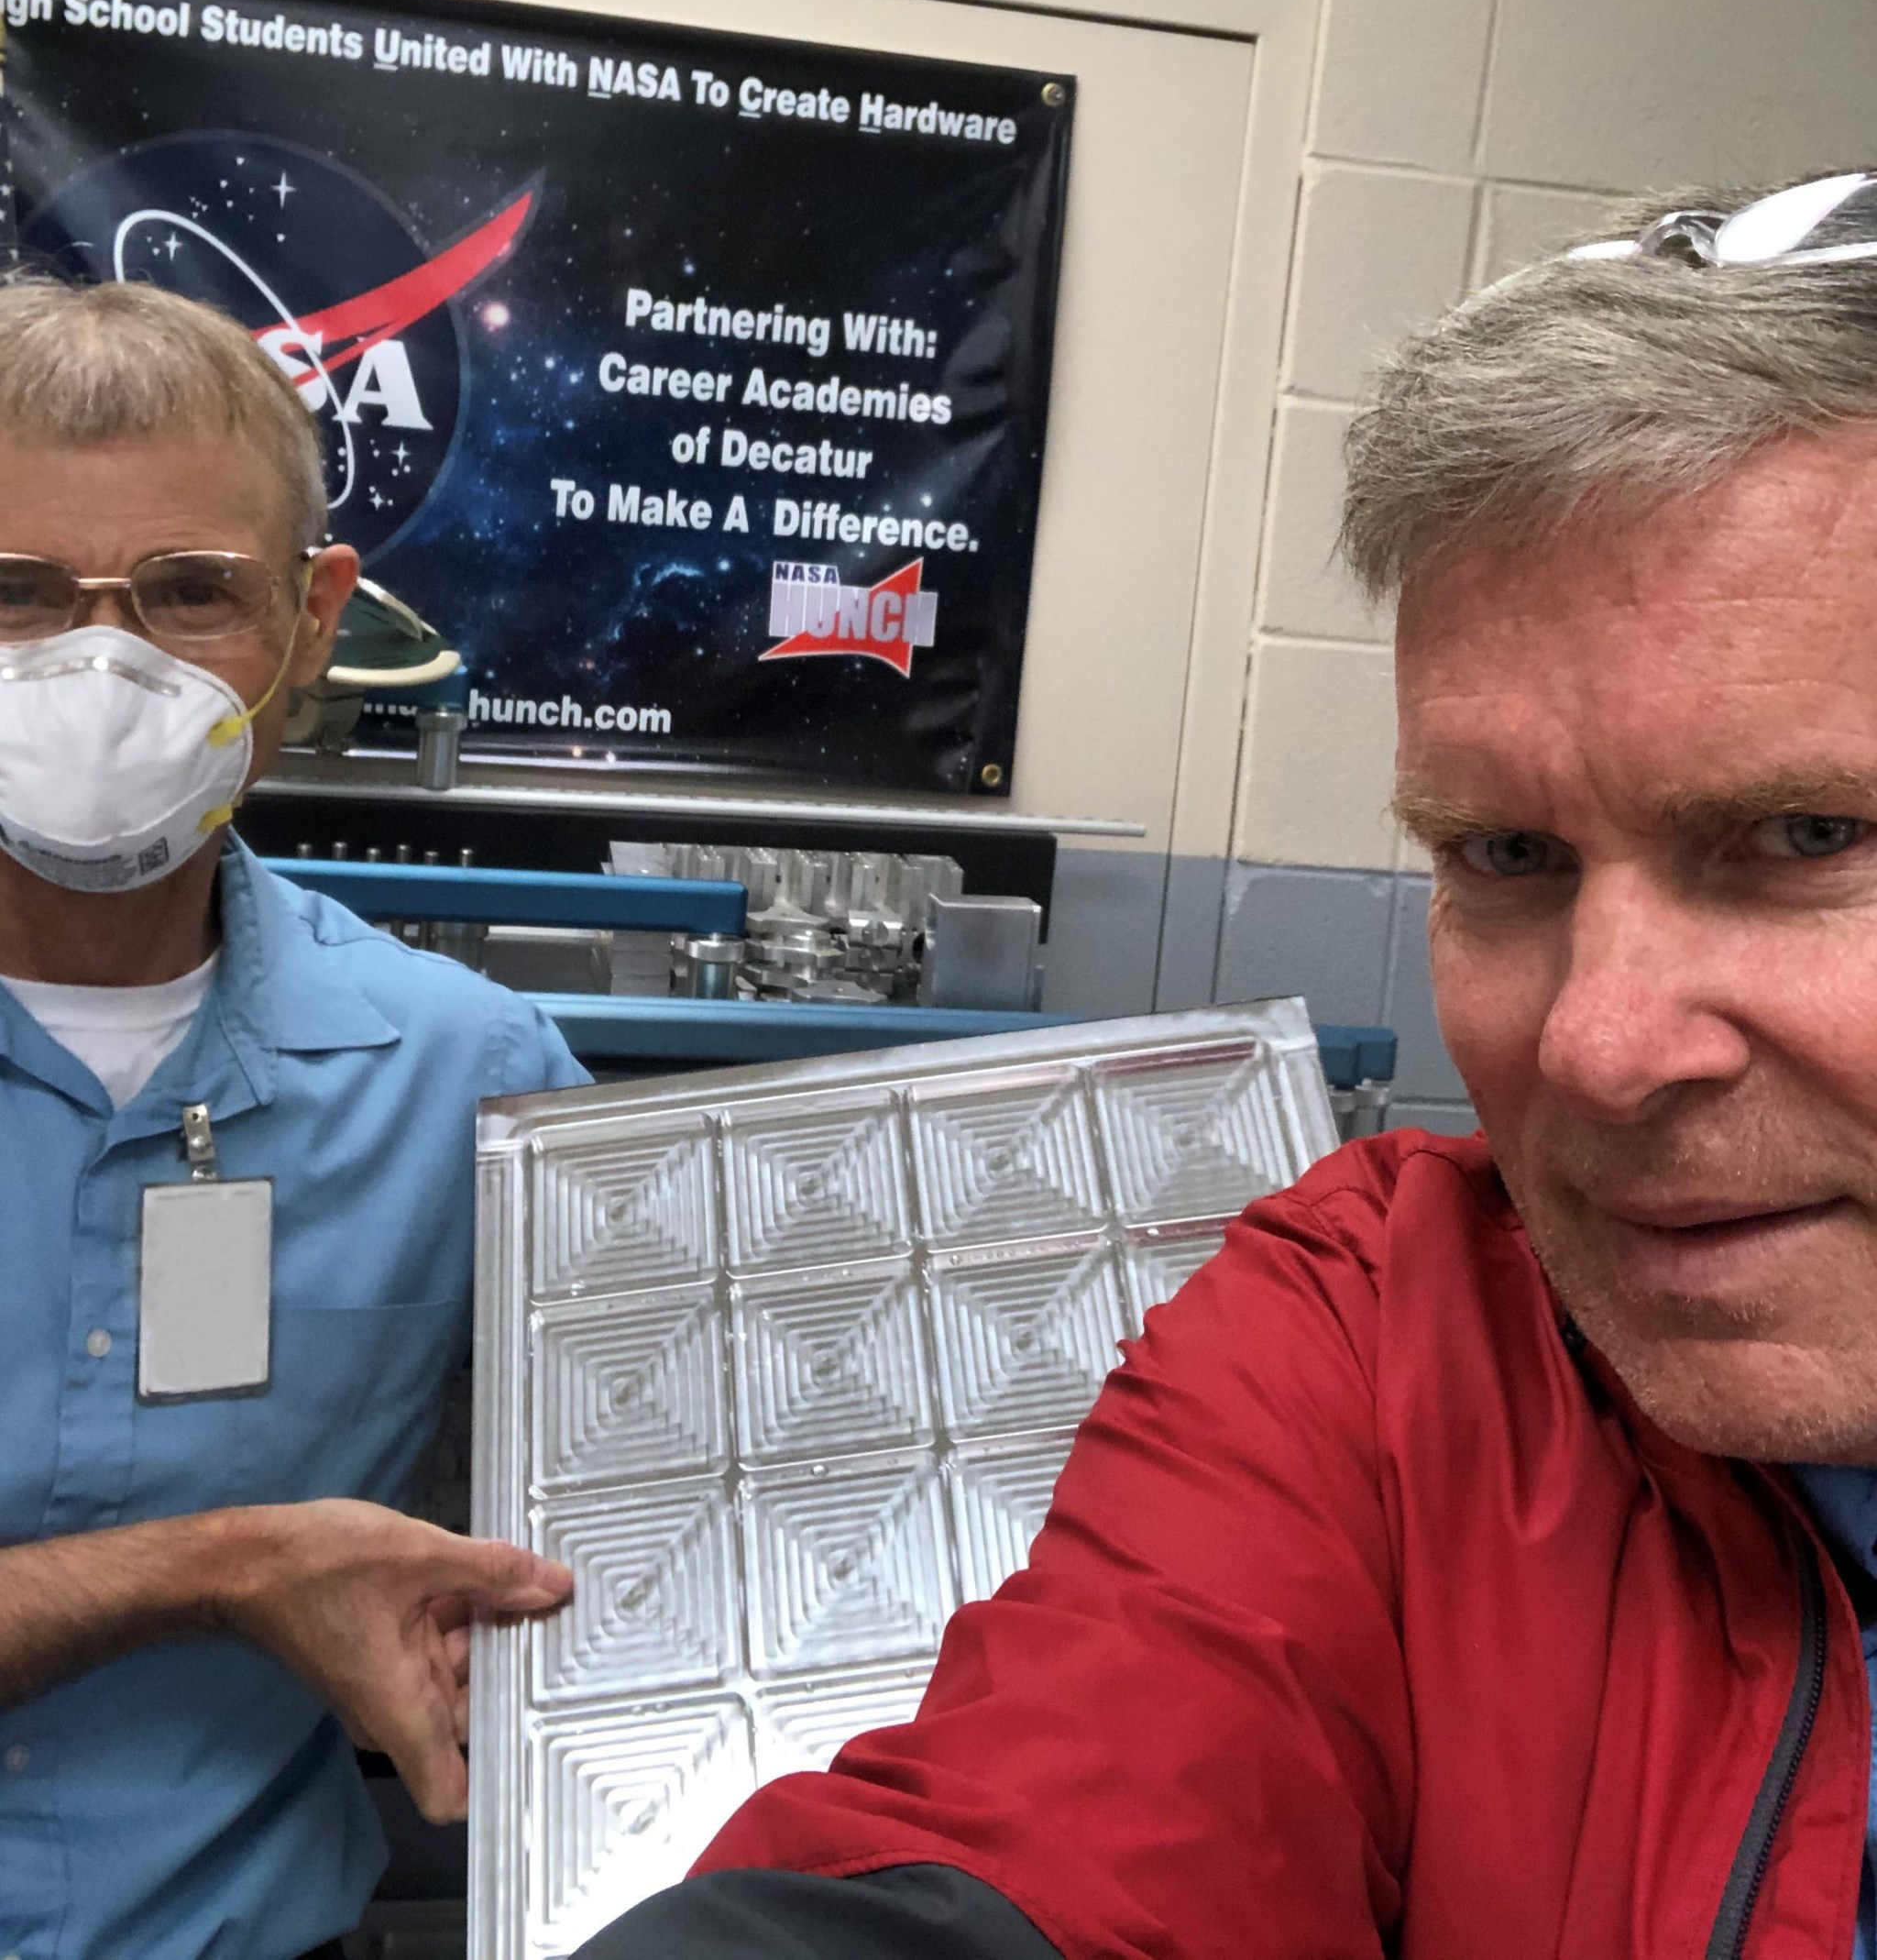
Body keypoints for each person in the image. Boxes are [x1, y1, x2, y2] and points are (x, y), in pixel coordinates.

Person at [575, 171, 1877, 1960]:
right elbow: (1079, 1817)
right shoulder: (1394, 1330)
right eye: (1505, 857)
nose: (1592, 1044)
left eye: (1804, 834)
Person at [0, 275, 581, 1960]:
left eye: (191, 592)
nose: (100, 667)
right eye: (15, 592)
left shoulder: (467, 1080)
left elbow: (621, 1538)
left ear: (316, 619)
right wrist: (227, 1565)